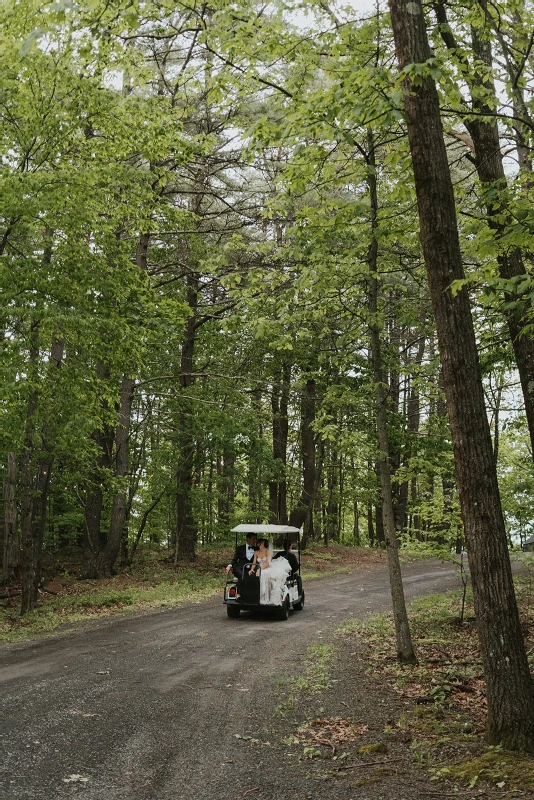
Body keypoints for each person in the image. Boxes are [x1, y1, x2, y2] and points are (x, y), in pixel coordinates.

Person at [250, 539, 291, 605]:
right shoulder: (256, 552)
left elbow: (267, 563)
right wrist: (252, 569)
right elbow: (254, 563)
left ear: (264, 544)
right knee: (255, 574)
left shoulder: (267, 551)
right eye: (259, 543)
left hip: (267, 568)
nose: (259, 545)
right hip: (260, 568)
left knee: (264, 574)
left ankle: (266, 599)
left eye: (261, 543)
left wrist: (260, 569)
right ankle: (256, 597)